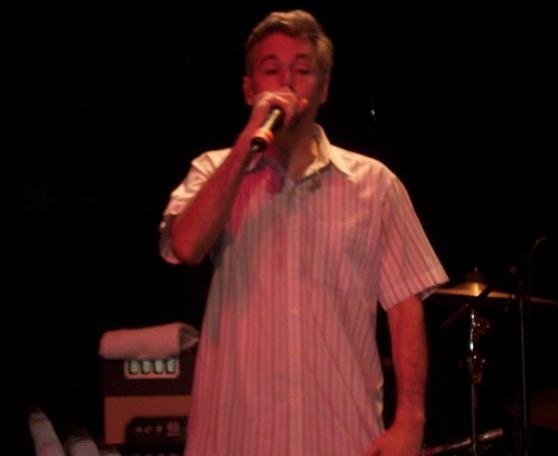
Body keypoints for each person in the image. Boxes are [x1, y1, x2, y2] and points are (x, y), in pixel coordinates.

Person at [159, 9, 448, 456]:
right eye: (271, 70)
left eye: (303, 70)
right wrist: (247, 144)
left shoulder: (375, 185)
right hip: (236, 436)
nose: (287, 84)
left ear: (324, 87)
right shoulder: (215, 170)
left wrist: (410, 419)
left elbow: (405, 305)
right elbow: (185, 245)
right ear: (249, 89)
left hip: (340, 436)